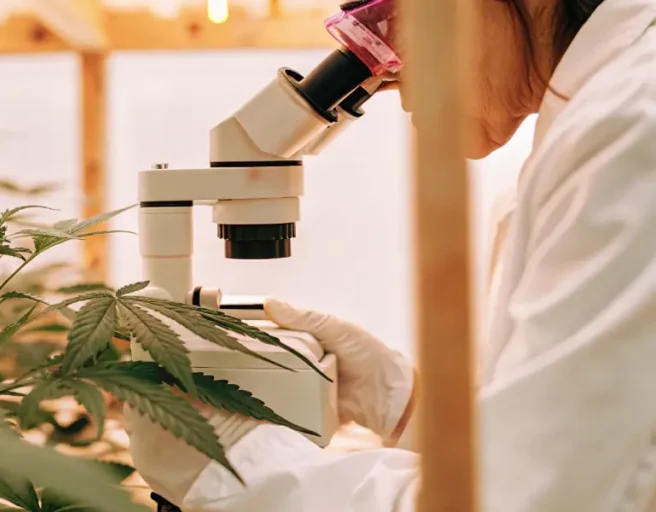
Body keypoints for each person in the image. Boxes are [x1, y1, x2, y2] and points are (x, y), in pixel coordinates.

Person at [125, 0, 656, 510]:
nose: (402, 94)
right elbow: (579, 437)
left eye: (398, 19)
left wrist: (241, 469)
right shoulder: (603, 109)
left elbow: (528, 499)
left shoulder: (630, 129)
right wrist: (407, 404)